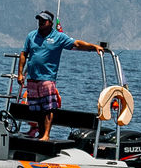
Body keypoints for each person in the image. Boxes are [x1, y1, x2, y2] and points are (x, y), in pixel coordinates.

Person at [17, 9, 103, 140]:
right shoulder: (31, 36)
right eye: (39, 20)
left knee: (48, 108)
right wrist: (20, 74)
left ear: (50, 23)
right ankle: (40, 133)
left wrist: (93, 46)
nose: (40, 22)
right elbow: (24, 54)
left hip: (47, 78)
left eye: (43, 20)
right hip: (33, 78)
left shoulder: (59, 37)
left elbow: (77, 44)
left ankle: (46, 134)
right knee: (37, 108)